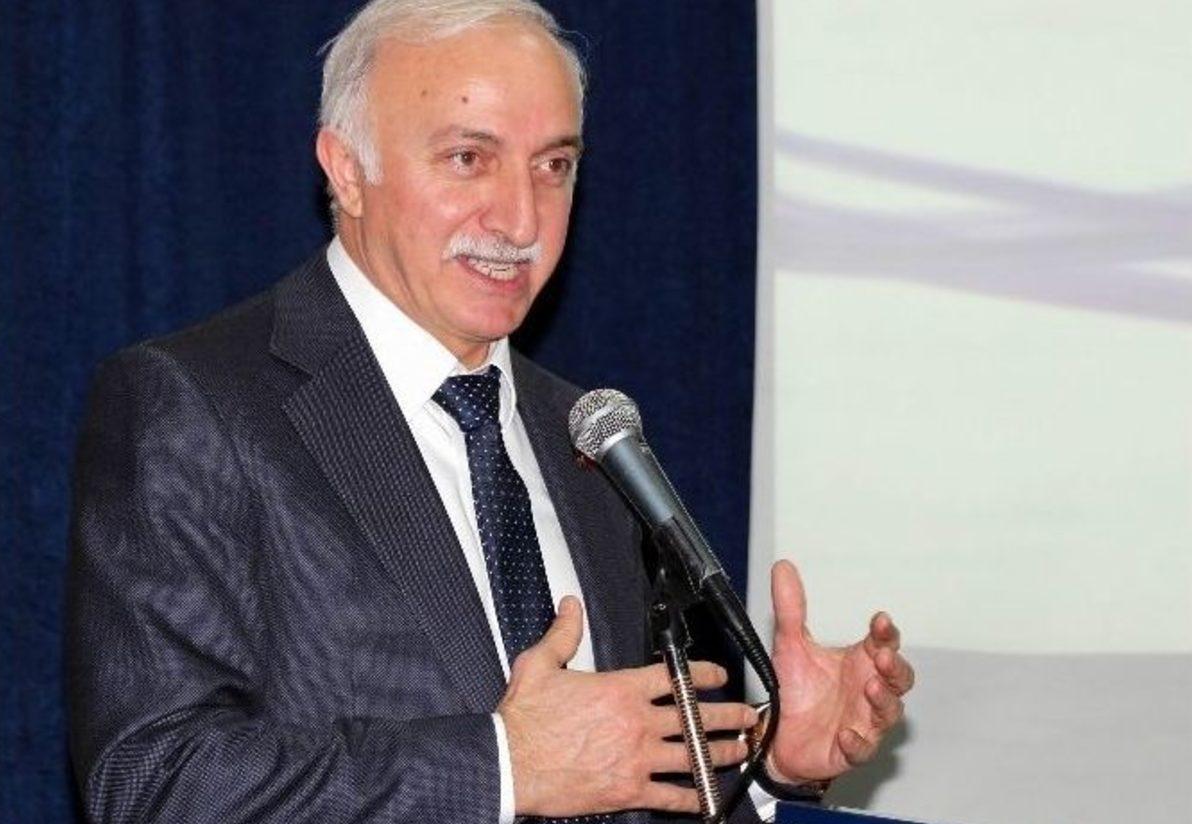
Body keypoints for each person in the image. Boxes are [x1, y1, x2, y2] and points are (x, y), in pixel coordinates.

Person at [65, 1, 914, 822]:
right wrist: (504, 766)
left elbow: (613, 783)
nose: (519, 219)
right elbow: (154, 782)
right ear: (348, 170)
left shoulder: (586, 434)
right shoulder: (197, 406)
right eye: (469, 158)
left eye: (554, 166)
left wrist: (767, 762)